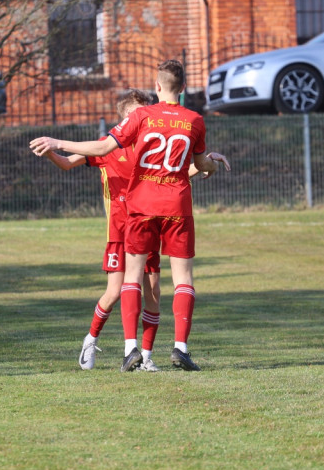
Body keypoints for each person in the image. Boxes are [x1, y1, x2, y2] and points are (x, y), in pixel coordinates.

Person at [31, 59, 220, 372]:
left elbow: (172, 166)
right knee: (126, 288)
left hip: (143, 213)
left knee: (152, 289)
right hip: (142, 220)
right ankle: (102, 341)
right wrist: (54, 149)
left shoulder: (143, 128)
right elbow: (80, 157)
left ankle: (141, 354)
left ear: (157, 90)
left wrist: (57, 140)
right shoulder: (186, 122)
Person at [40, 89, 164, 372]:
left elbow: (178, 172)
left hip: (147, 228)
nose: (143, 118)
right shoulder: (106, 146)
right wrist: (50, 152)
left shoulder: (153, 147)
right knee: (115, 292)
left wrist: (204, 164)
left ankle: (146, 357)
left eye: (146, 113)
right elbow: (66, 163)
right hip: (119, 233)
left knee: (153, 292)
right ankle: (91, 338)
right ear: (125, 118)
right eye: (137, 113)